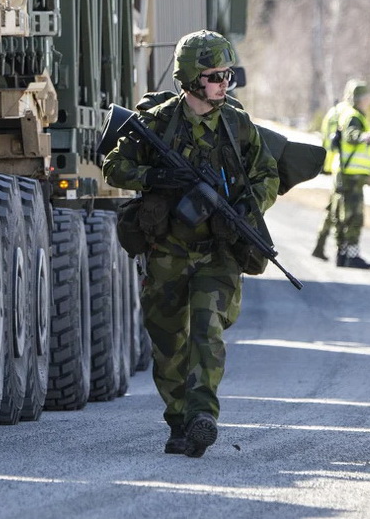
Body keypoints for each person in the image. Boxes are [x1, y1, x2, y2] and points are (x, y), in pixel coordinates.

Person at [102, 31, 279, 458]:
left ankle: (202, 415)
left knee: (206, 327)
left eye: (228, 75)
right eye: (215, 76)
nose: (224, 83)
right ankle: (179, 421)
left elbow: (267, 175)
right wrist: (156, 177)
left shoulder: (237, 125)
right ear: (191, 78)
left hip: (217, 250)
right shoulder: (158, 122)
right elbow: (113, 165)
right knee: (168, 343)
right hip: (167, 251)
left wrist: (245, 205)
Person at [322, 80, 370, 268]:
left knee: (342, 215)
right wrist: (364, 137)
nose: (369, 101)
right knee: (354, 217)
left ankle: (342, 254)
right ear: (361, 99)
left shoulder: (349, 114)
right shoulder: (354, 117)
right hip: (351, 176)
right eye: (367, 98)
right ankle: (351, 256)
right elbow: (351, 136)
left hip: (347, 174)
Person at [311, 95, 348, 260]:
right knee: (337, 211)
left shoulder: (333, 113)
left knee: (332, 209)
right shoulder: (344, 113)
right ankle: (340, 250)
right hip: (339, 167)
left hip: (332, 165)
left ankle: (320, 246)